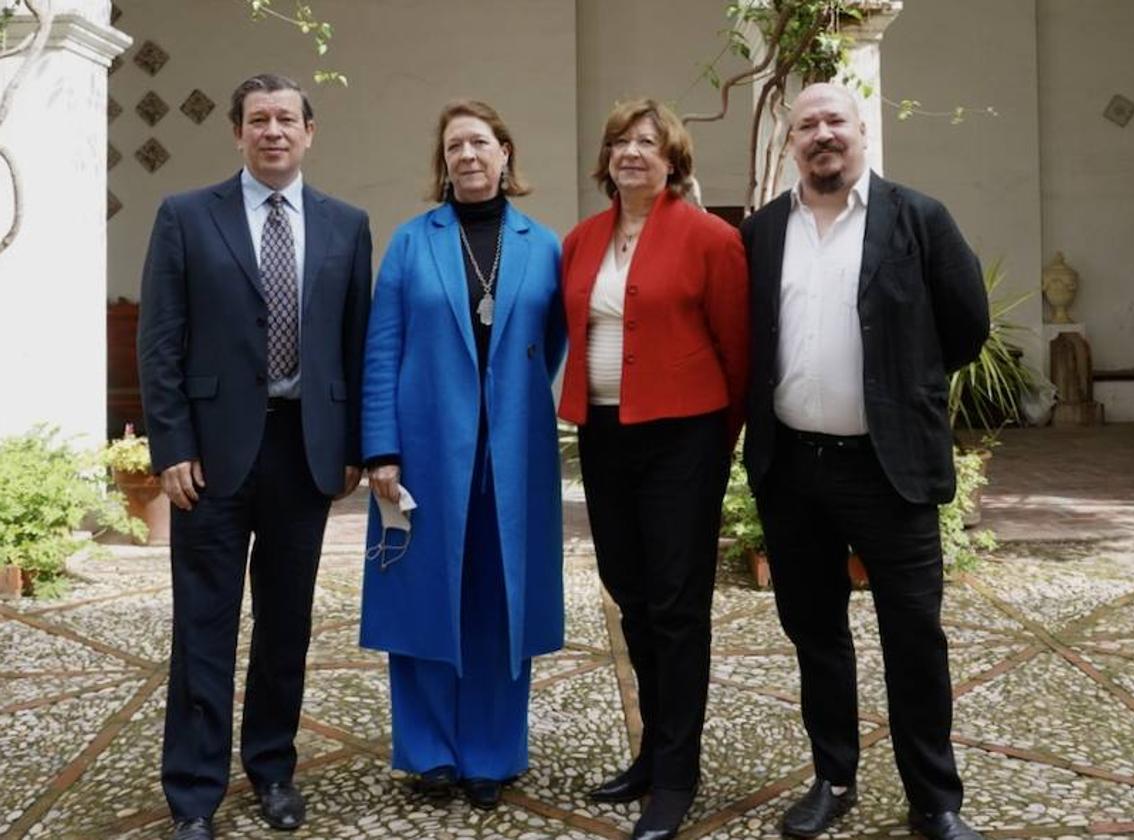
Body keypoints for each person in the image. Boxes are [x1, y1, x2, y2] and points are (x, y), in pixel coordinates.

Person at [738, 82, 989, 840]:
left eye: (834, 121)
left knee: (913, 634)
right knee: (815, 632)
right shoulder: (761, 233)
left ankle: (935, 799)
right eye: (806, 124)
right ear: (790, 144)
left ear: (862, 132)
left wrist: (895, 388)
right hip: (793, 468)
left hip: (890, 469)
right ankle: (834, 776)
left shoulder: (918, 219)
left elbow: (966, 328)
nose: (822, 135)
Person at [138, 73, 371, 840]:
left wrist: (354, 449)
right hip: (209, 455)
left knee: (285, 626)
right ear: (237, 133)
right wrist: (169, 446)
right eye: (258, 120)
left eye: (287, 119)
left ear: (310, 133)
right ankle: (195, 794)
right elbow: (160, 341)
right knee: (203, 625)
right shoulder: (184, 217)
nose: (273, 131)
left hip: (305, 451)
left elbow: (355, 345)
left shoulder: (347, 225)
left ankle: (272, 770)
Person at [358, 99, 566, 811]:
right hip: (419, 453)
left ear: (506, 153)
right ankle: (428, 752)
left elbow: (554, 341)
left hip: (512, 453)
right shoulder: (413, 242)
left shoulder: (545, 245)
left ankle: (491, 754)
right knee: (421, 597)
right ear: (442, 162)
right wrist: (380, 446)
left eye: (481, 142)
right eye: (454, 146)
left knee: (499, 601)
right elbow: (382, 346)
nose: (468, 155)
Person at [559, 98, 749, 840]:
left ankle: (676, 773)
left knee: (676, 605)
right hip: (605, 436)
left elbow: (738, 350)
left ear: (673, 160)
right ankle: (652, 751)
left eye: (647, 142)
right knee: (631, 595)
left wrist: (719, 441)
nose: (632, 152)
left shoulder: (711, 239)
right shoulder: (581, 241)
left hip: (684, 440)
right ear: (606, 161)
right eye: (619, 143)